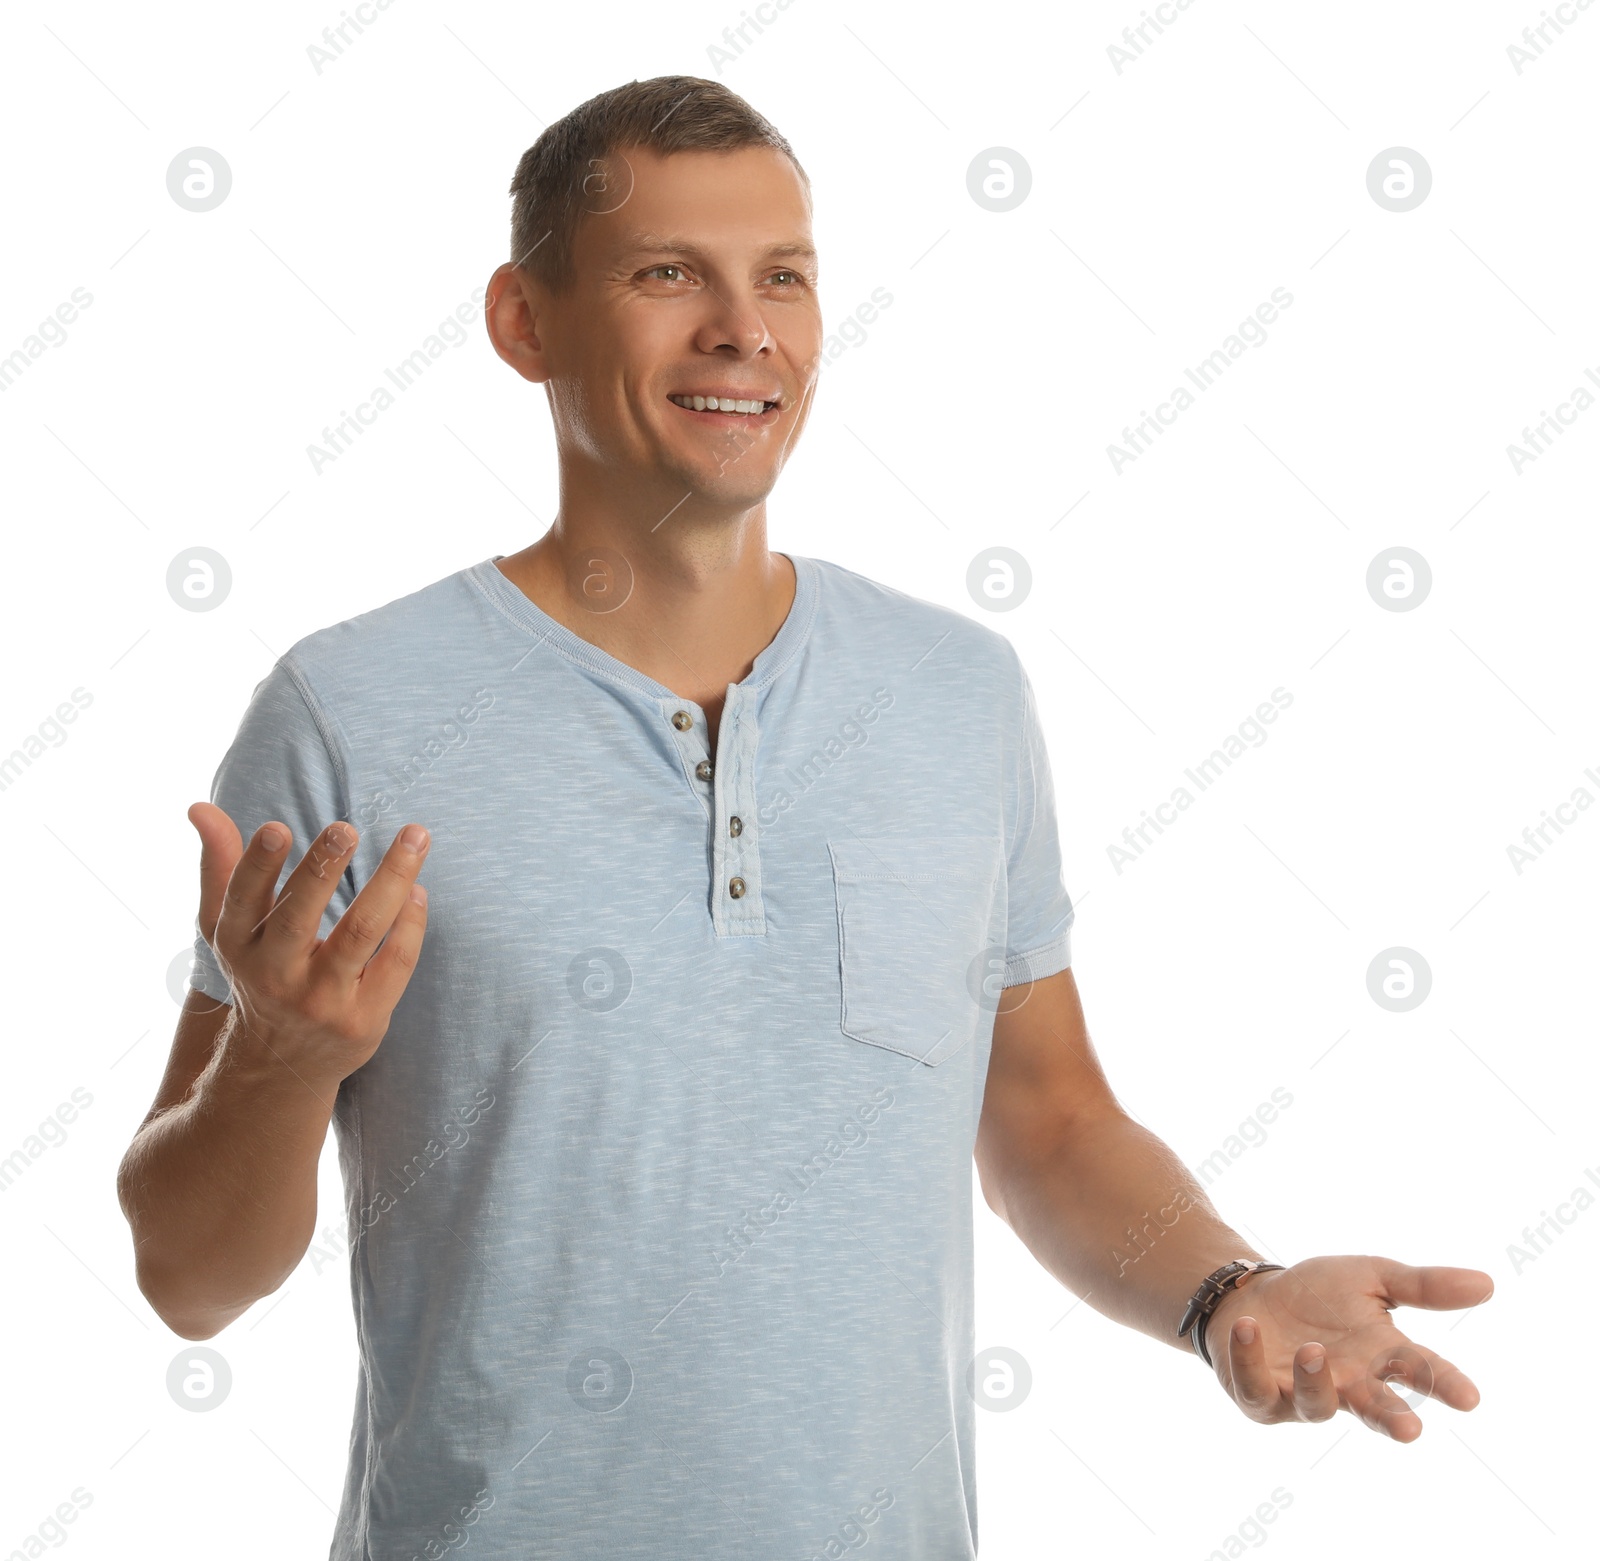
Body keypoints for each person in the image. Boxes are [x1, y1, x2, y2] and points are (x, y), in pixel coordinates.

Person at [116, 73, 1492, 1561]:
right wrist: (281, 1061)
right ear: (526, 321)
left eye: (784, 277)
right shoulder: (351, 712)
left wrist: (1231, 1288)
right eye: (667, 275)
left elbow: (1047, 1117)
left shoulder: (961, 694)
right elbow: (187, 1276)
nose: (743, 328)